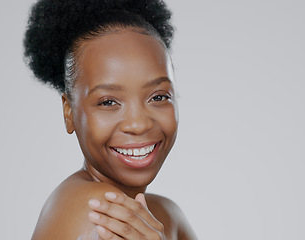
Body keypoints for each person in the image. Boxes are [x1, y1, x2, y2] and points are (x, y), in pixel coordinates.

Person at [24, 0, 197, 239]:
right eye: (108, 102)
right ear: (69, 112)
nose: (138, 124)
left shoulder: (167, 213)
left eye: (158, 97)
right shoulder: (98, 214)